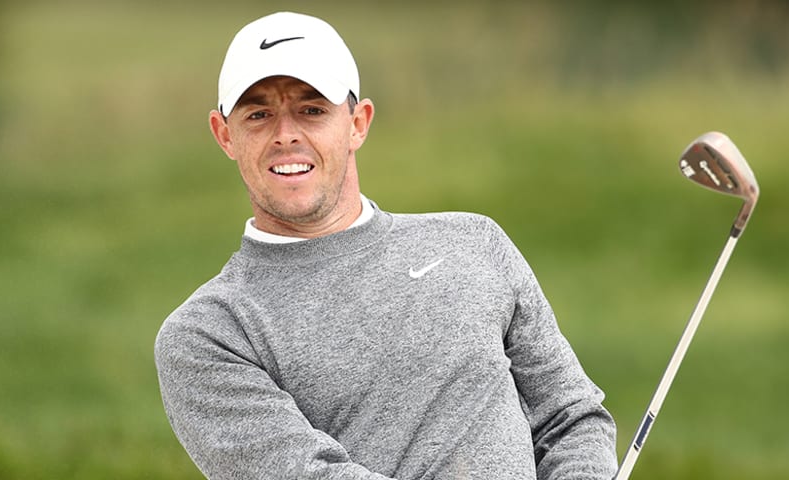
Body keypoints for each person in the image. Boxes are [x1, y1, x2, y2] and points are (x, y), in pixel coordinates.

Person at [154, 11, 617, 480]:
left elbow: (570, 418)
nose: (286, 134)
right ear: (224, 134)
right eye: (259, 115)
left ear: (358, 123)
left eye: (312, 110)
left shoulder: (474, 242)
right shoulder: (207, 334)